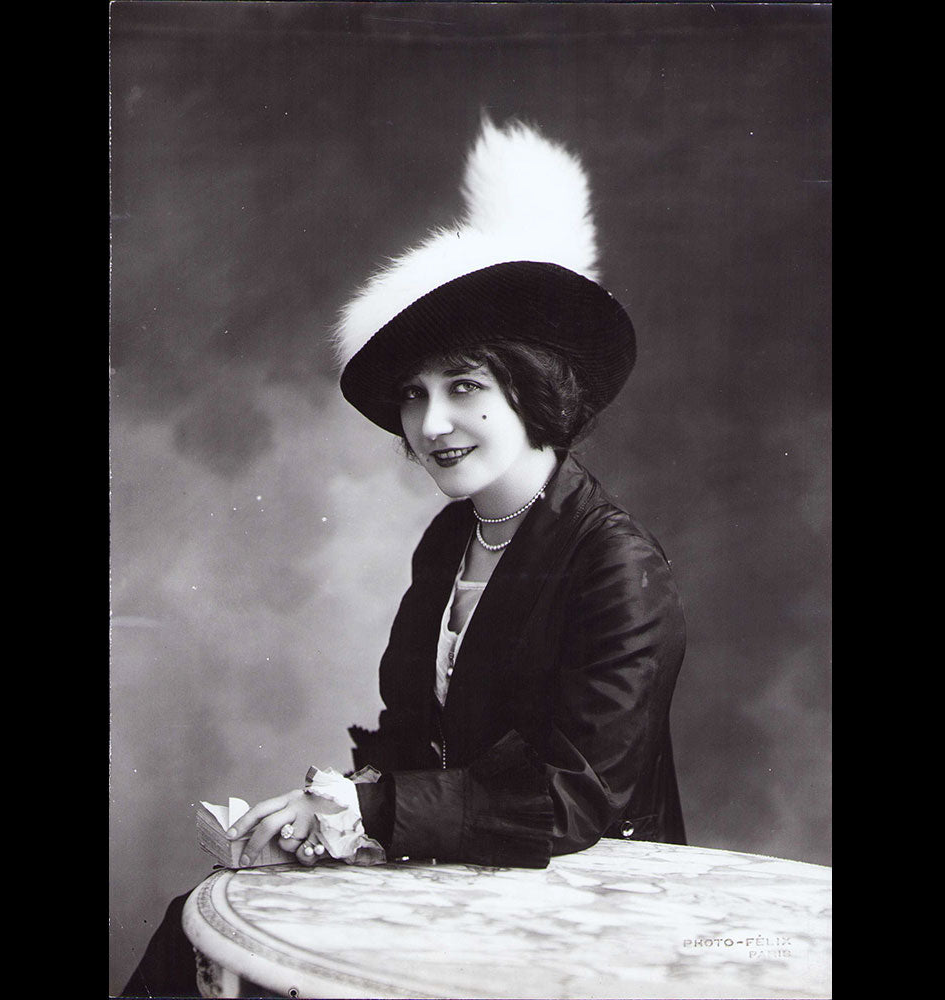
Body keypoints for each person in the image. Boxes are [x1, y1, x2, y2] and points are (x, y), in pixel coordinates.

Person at [121, 117, 686, 996]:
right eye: (416, 397)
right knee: (197, 928)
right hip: (468, 873)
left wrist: (373, 811)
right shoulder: (451, 540)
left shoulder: (614, 563)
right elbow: (420, 738)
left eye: (465, 387)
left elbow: (578, 802)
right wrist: (324, 813)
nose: (431, 426)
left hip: (586, 901)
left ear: (531, 385)